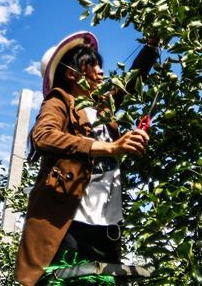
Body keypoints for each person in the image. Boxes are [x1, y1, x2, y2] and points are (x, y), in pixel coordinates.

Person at [15, 31, 159, 286]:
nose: (101, 71)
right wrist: (110, 148)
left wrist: (150, 47)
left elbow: (131, 82)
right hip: (71, 224)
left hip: (106, 224)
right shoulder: (60, 101)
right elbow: (43, 136)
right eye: (92, 64)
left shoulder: (103, 107)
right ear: (71, 73)